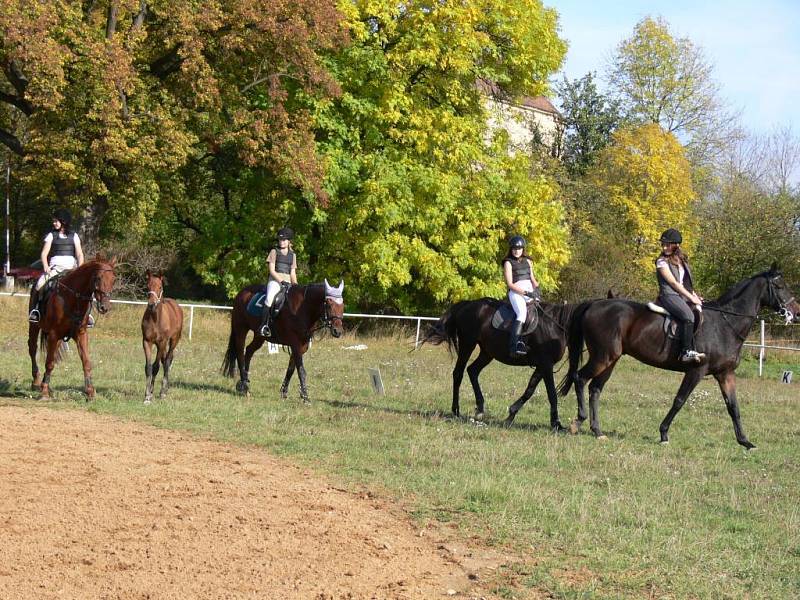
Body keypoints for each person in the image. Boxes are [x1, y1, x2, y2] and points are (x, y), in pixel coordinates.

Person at [655, 228, 705, 363]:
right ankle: (685, 351)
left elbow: (685, 283)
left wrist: (695, 296)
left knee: (699, 311)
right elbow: (673, 283)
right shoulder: (661, 261)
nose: (664, 247)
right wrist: (691, 298)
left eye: (667, 244)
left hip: (681, 295)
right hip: (669, 295)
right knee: (688, 316)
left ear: (676, 245)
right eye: (663, 244)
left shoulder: (682, 261)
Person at [29, 208, 85, 323]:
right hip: (54, 269)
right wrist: (46, 267)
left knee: (85, 288)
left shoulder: (74, 236)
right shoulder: (51, 235)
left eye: (56, 221)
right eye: (53, 221)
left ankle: (86, 316)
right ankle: (35, 311)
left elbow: (79, 254)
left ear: (63, 221)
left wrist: (80, 268)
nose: (54, 223)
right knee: (39, 285)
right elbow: (44, 254)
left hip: (71, 269)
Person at [503, 235, 541, 357]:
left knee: (541, 311)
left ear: (523, 249)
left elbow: (532, 279)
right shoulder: (508, 263)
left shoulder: (529, 261)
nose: (516, 250)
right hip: (516, 293)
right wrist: (525, 293)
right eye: (514, 248)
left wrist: (537, 289)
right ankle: (513, 346)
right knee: (522, 314)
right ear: (511, 249)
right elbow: (510, 283)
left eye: (519, 248)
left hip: (530, 292)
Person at [259, 227, 298, 337]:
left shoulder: (293, 255)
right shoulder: (274, 252)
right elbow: (271, 270)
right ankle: (264, 326)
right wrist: (281, 281)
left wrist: (295, 285)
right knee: (269, 298)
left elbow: (293, 273)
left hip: (288, 281)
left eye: (284, 240)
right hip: (275, 280)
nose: (281, 242)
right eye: (280, 240)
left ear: (289, 241)